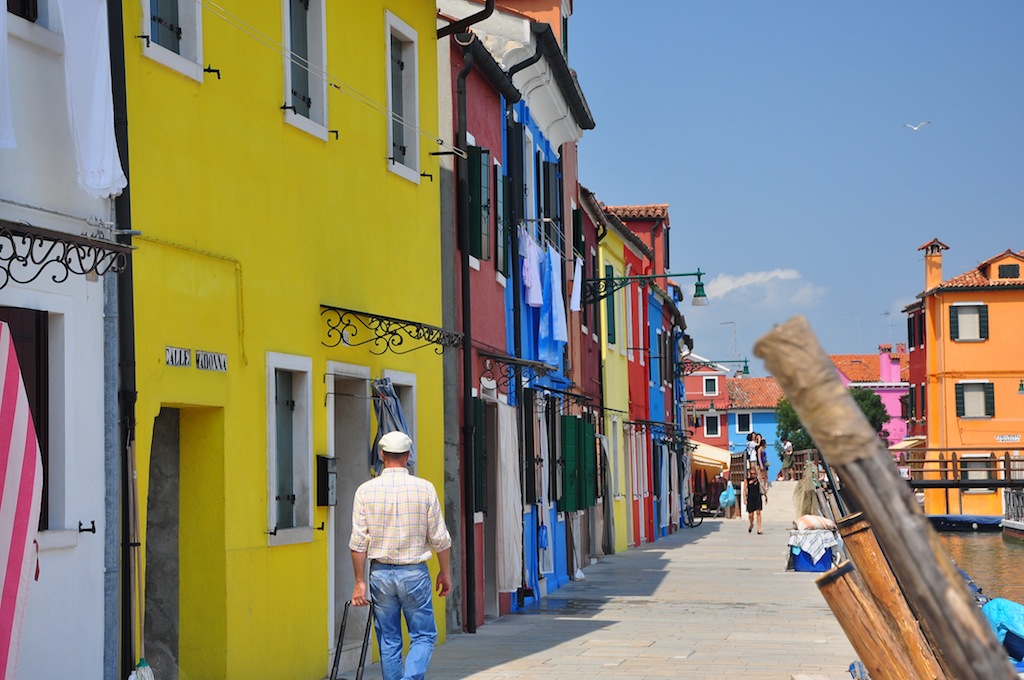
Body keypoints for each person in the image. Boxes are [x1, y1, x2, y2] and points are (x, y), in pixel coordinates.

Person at [350, 431, 452, 680]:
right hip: (414, 572)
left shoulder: (365, 491)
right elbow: (439, 538)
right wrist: (445, 572)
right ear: (408, 456)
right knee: (424, 635)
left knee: (388, 638)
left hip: (380, 574)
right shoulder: (425, 489)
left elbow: (358, 542)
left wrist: (359, 582)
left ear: (382, 455)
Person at [743, 466, 763, 534]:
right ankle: (751, 524)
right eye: (752, 474)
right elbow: (744, 490)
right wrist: (744, 498)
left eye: (754, 473)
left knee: (758, 512)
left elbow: (762, 483)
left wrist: (765, 496)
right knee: (751, 514)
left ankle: (759, 528)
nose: (753, 475)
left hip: (757, 496)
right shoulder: (747, 480)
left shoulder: (758, 479)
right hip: (750, 497)